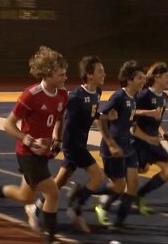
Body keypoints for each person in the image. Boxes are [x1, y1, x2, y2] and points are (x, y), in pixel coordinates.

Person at [0, 46, 68, 244]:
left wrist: (58, 140)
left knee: (25, 197)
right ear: (47, 74)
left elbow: (59, 118)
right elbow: (8, 124)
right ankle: (50, 237)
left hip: (43, 152)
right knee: (53, 193)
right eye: (61, 74)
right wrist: (28, 140)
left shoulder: (62, 95)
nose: (65, 77)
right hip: (27, 154)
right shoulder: (30, 95)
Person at [34, 56, 117, 232]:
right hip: (72, 145)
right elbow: (58, 115)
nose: (104, 74)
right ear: (89, 75)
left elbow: (92, 114)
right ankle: (76, 207)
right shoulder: (75, 96)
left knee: (58, 182)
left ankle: (35, 208)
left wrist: (106, 117)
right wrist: (56, 140)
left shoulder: (98, 92)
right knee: (97, 177)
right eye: (100, 71)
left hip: (81, 142)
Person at [96, 60, 145, 230]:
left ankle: (119, 222)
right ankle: (91, 197)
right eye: (139, 78)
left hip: (128, 146)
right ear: (129, 80)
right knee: (118, 186)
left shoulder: (134, 98)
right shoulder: (118, 97)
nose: (143, 81)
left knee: (133, 184)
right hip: (114, 146)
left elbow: (129, 122)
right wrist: (110, 143)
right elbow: (99, 117)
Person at [132, 62, 168, 215]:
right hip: (140, 142)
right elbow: (130, 113)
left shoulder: (164, 97)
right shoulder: (143, 95)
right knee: (138, 171)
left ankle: (140, 195)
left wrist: (164, 133)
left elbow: (157, 120)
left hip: (154, 142)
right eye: (167, 76)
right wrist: (146, 113)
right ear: (157, 78)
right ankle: (106, 195)